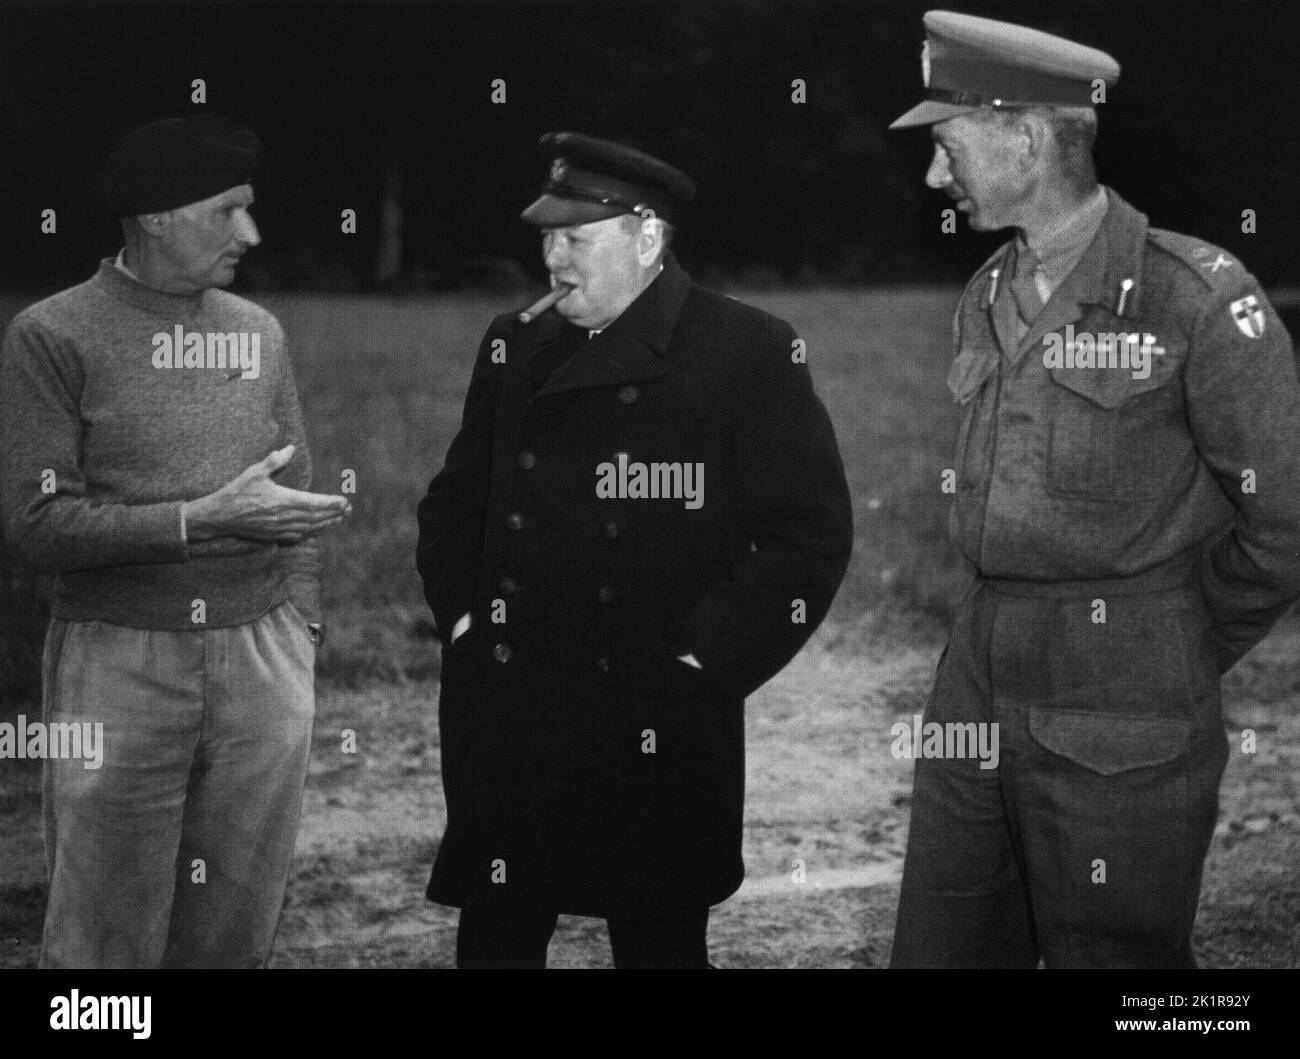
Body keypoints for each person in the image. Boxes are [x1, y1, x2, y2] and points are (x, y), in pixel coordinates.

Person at [887, 11, 1300, 967]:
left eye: (947, 148)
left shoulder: (1191, 296)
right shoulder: (989, 289)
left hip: (1122, 686)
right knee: (945, 942)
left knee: (1117, 963)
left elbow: (1285, 517)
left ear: (1026, 137)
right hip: (977, 669)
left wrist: (1176, 637)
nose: (934, 178)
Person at [416, 131, 853, 968]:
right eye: (547, 236)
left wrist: (706, 658)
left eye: (576, 238)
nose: (553, 257)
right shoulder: (515, 344)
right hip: (515, 703)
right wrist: (467, 619)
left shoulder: (746, 350)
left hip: (656, 711)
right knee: (498, 939)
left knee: (658, 944)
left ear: (647, 237)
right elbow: (455, 504)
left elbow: (808, 534)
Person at [0, 115, 350, 967]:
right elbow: (36, 528)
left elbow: (296, 497)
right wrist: (199, 520)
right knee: (102, 933)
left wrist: (299, 634)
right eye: (229, 210)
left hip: (264, 659)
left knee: (232, 922)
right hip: (118, 661)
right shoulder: (52, 335)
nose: (252, 233)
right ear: (157, 216)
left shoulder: (259, 330)